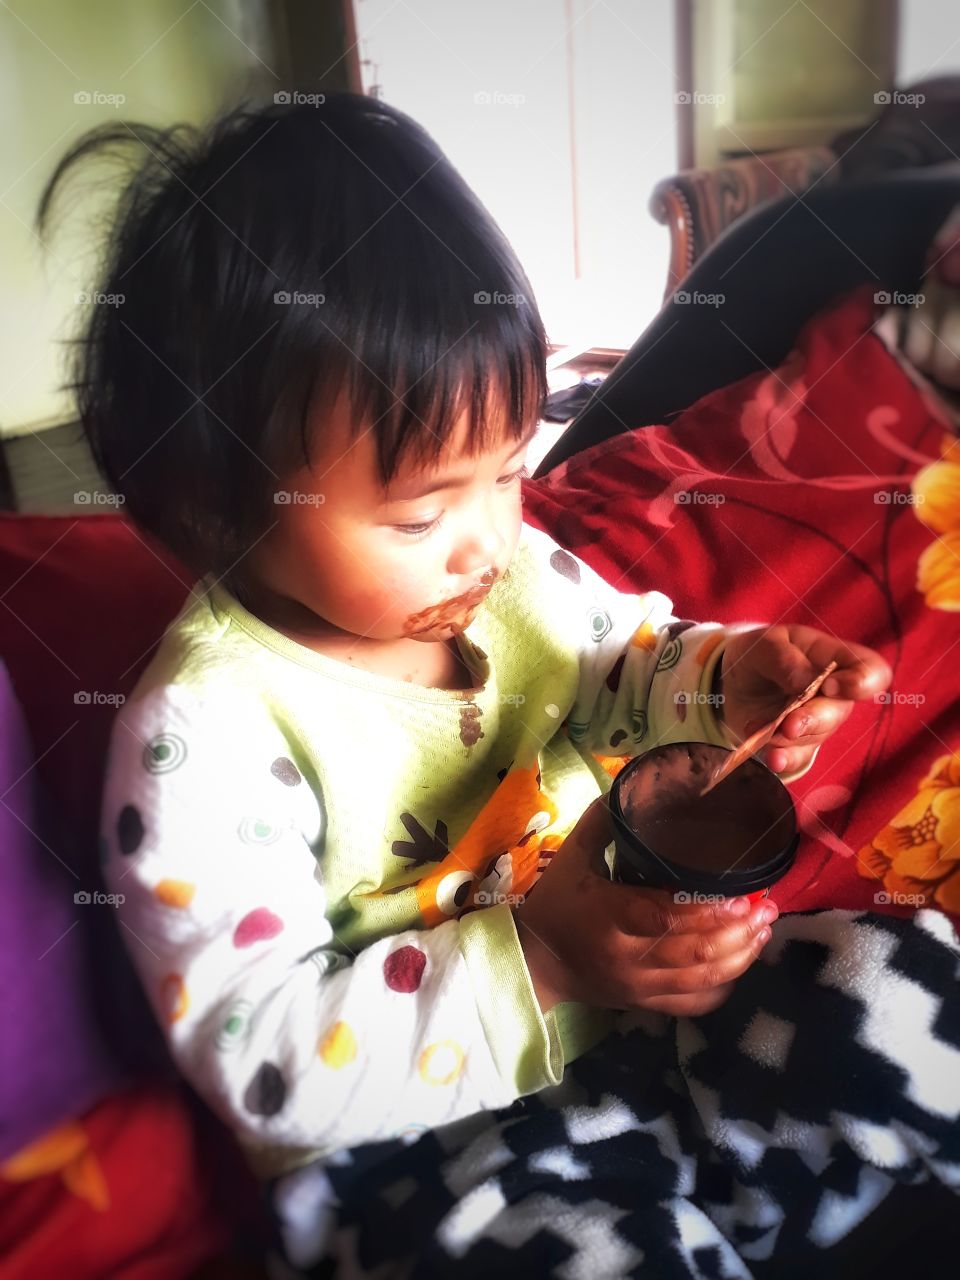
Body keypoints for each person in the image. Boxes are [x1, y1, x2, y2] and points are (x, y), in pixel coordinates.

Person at [36, 93, 890, 1193]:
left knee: (894, 983)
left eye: (507, 470)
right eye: (418, 514)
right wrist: (541, 952)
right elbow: (265, 1059)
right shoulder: (206, 733)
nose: (489, 540)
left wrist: (727, 678)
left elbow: (620, 661)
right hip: (429, 1155)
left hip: (645, 1036)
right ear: (216, 510)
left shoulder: (512, 574)